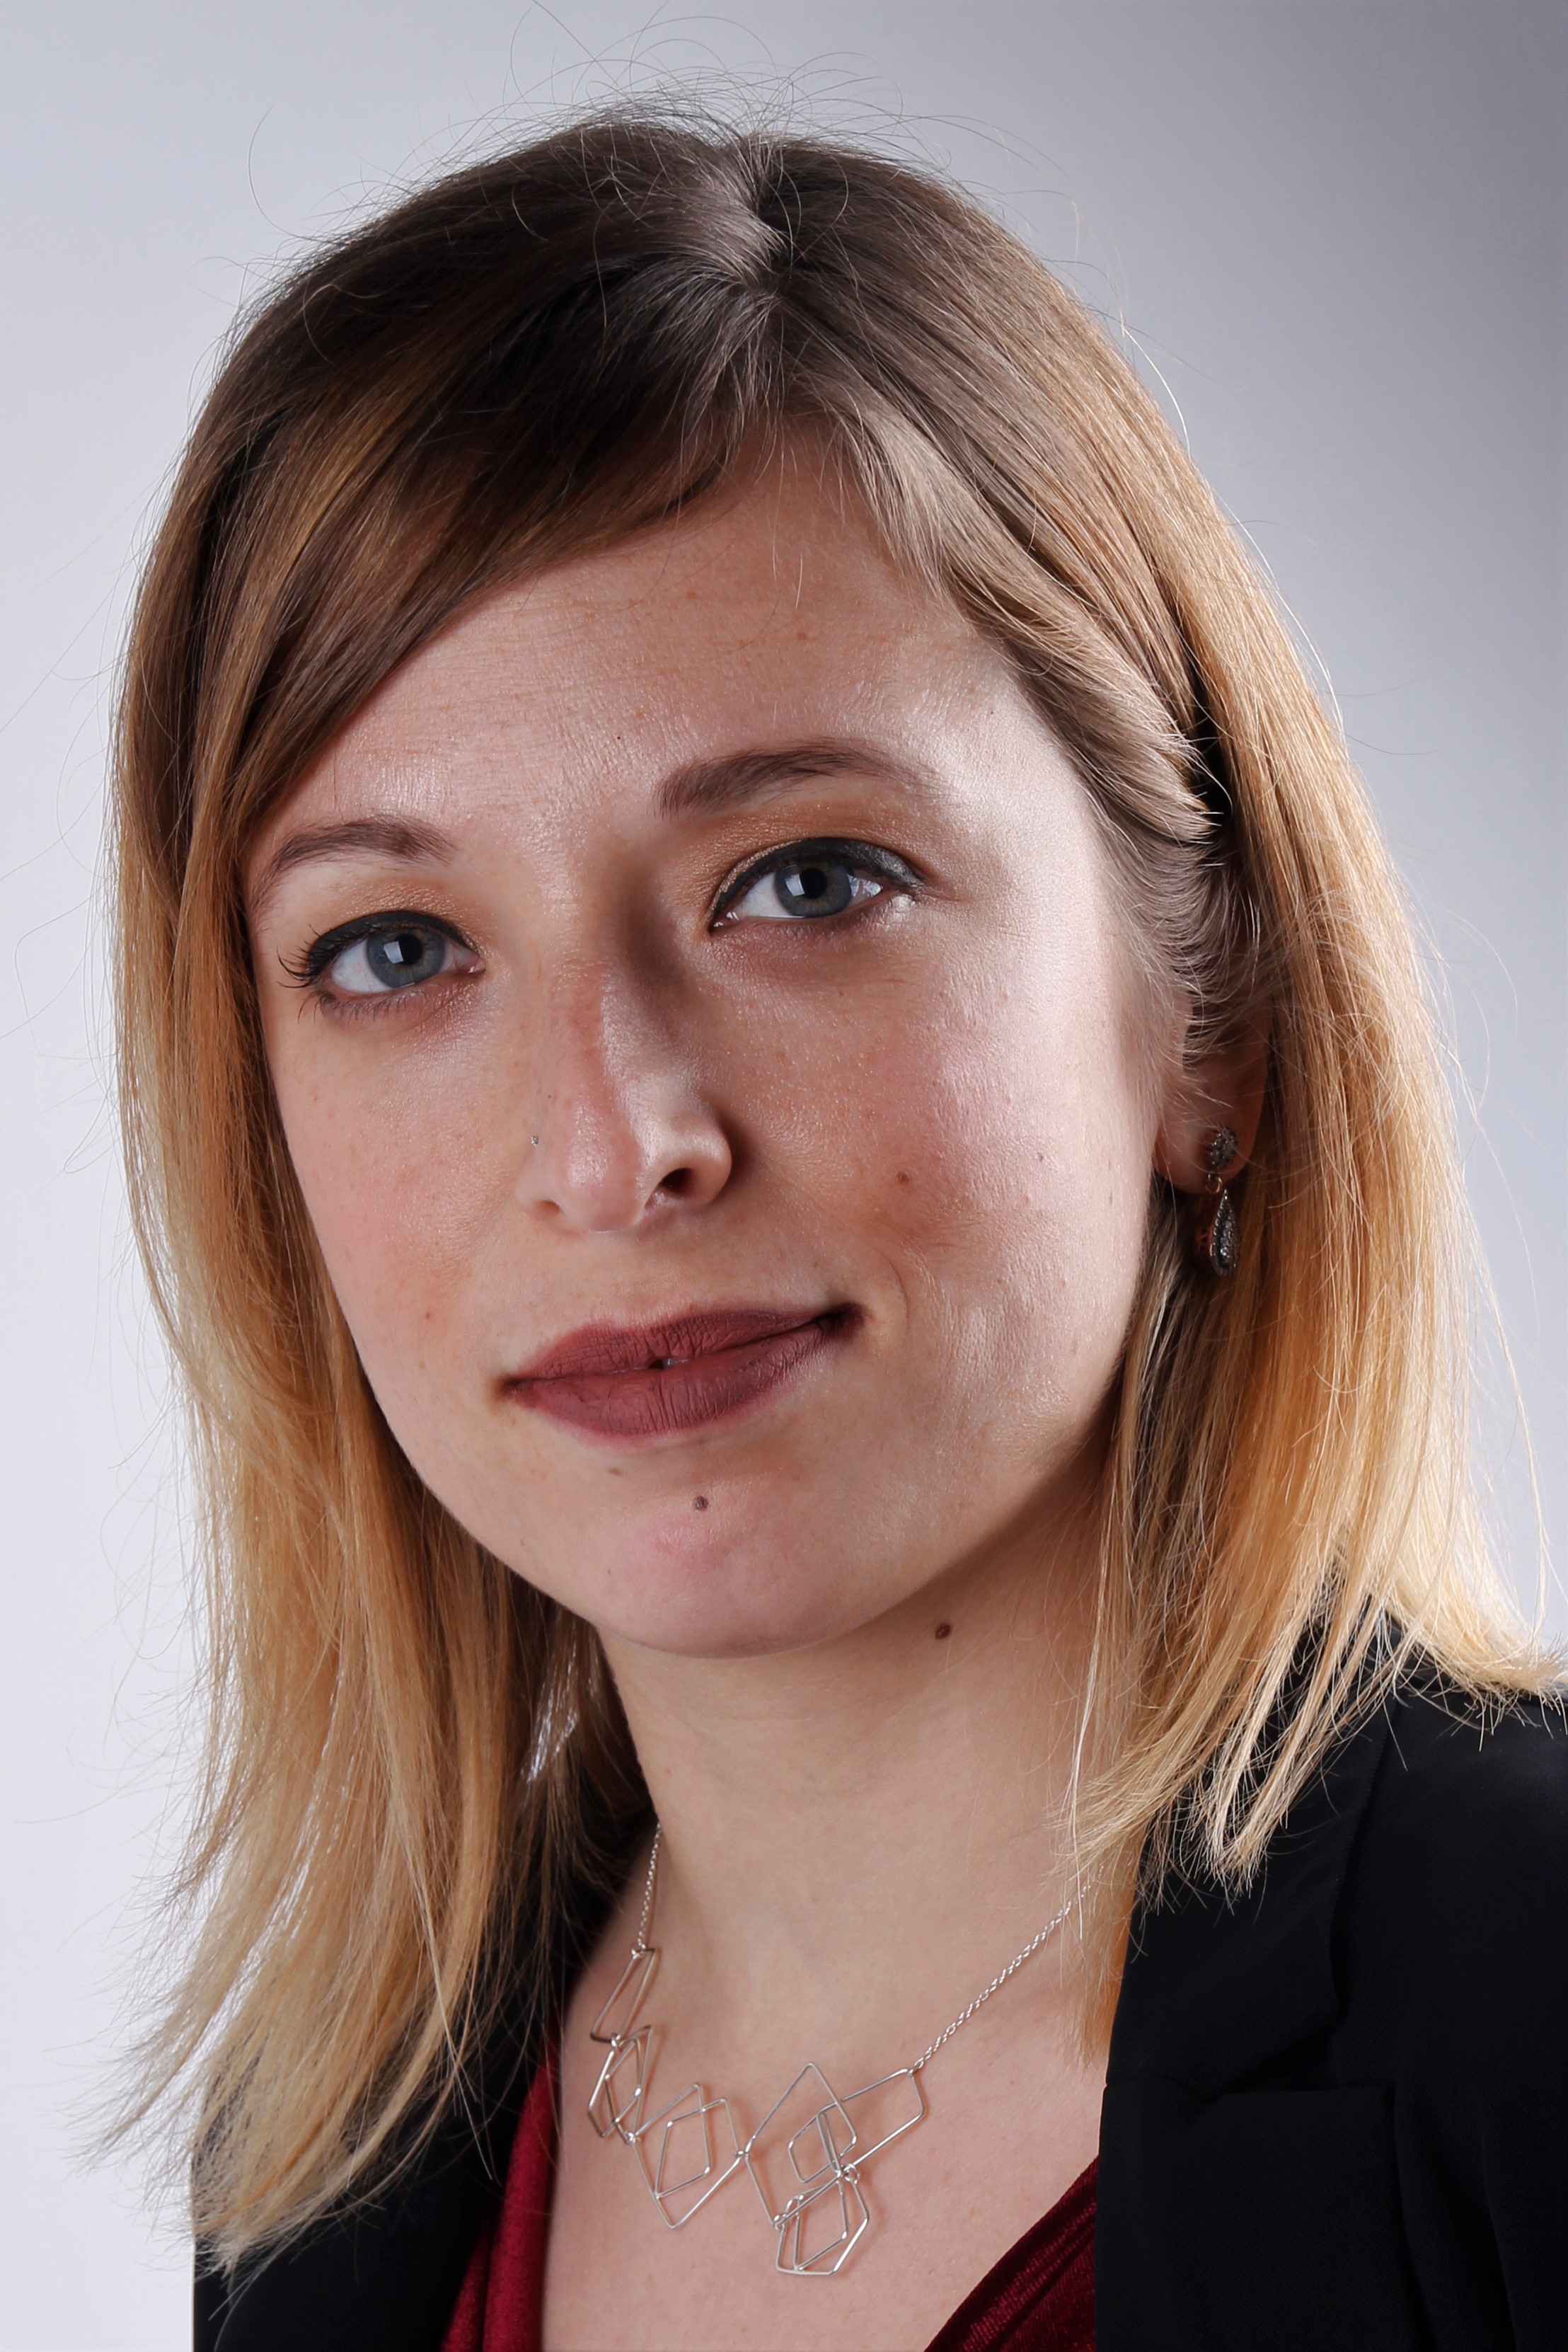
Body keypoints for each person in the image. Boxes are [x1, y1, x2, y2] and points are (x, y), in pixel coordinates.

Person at [110, 115, 1565, 2352]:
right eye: (397, 949)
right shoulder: (332, 2169)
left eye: (803, 882)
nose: (616, 1148)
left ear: (1218, 1010)